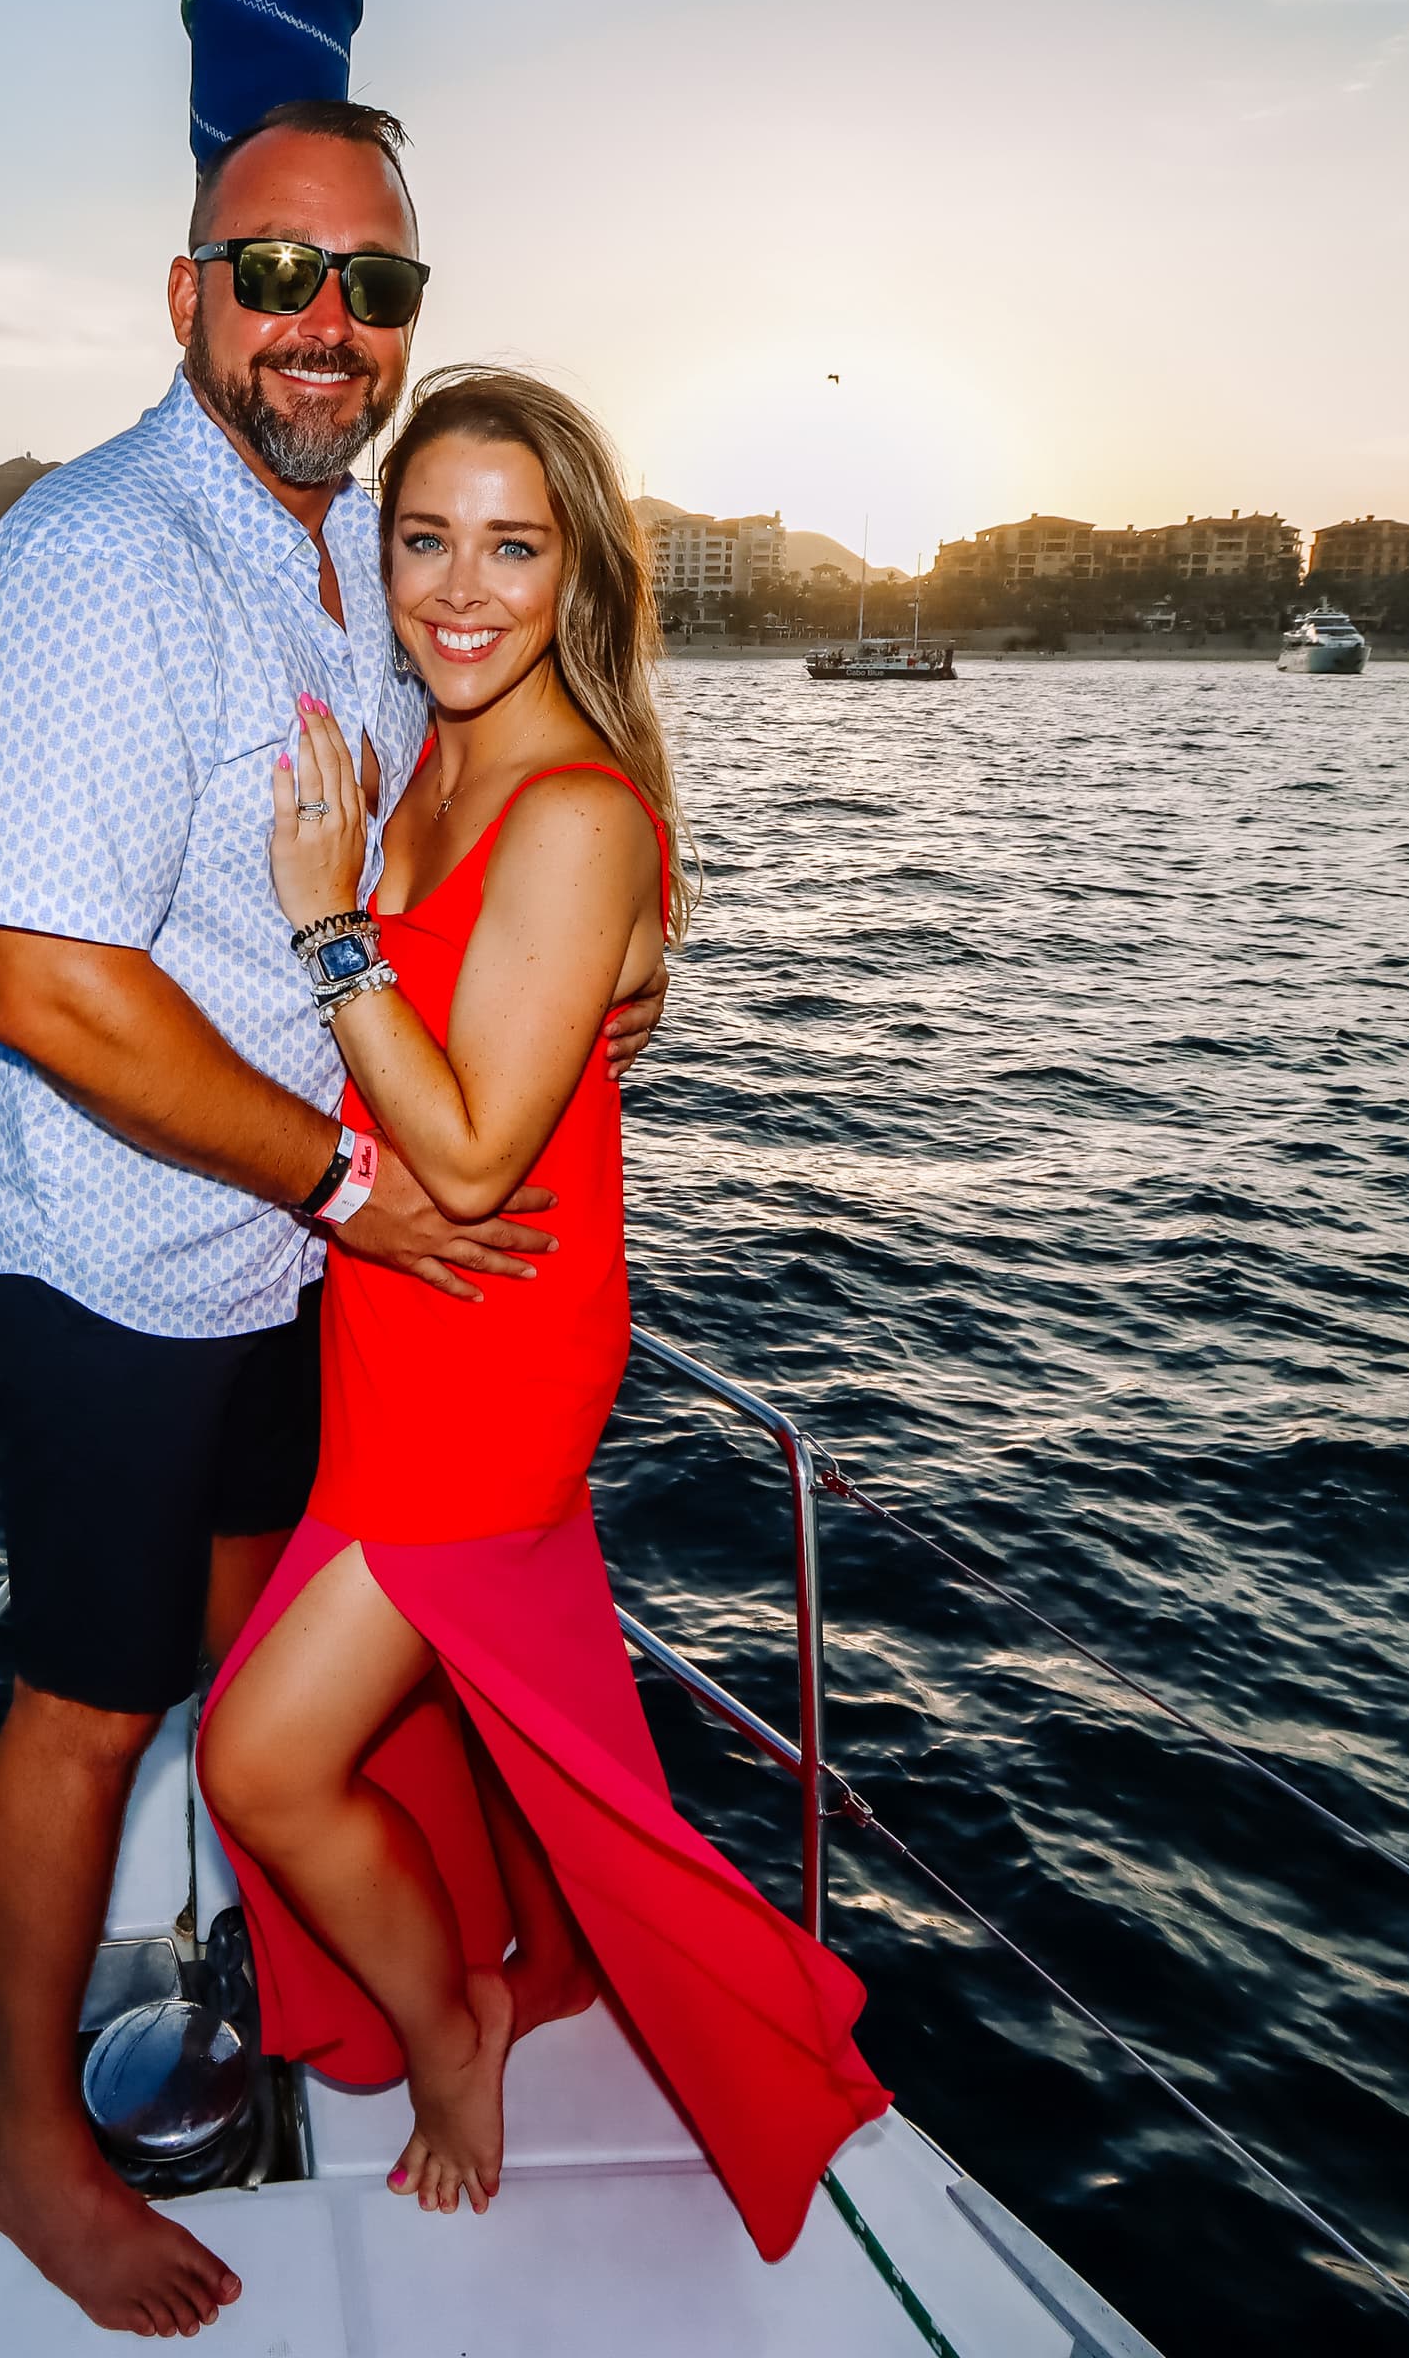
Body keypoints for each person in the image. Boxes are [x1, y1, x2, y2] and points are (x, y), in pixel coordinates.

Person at [0, 102, 663, 2337]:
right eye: (274, 272)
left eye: (375, 285)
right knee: (92, 1693)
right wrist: (360, 1165)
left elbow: (494, 851)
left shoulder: (339, 550)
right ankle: (27, 2138)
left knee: (255, 1662)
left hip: (306, 1260)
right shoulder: (102, 566)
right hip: (138, 1247)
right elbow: (53, 988)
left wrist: (585, 955)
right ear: (189, 298)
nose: (323, 322)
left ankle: (305, 1959)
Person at [197, 368, 890, 2256]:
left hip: (492, 1327)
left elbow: (482, 1146)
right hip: (394, 1315)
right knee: (469, 1701)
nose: (461, 585)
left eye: (512, 543)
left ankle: (458, 2021)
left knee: (254, 1756)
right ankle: (515, 1951)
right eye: (425, 539)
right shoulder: (438, 747)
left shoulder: (563, 801)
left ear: (578, 563)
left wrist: (327, 926)